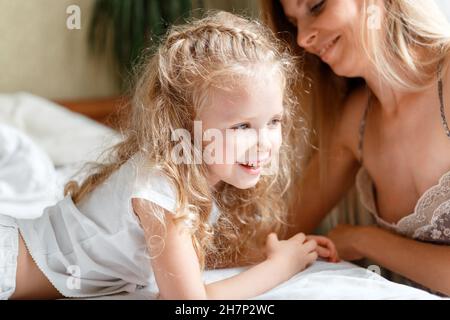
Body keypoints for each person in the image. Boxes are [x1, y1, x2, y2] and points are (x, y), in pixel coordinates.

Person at [0, 11, 338, 300]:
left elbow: (185, 262)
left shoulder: (199, 179)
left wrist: (263, 252)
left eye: (274, 121)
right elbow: (187, 300)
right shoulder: (161, 190)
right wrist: (280, 266)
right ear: (186, 125)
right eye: (242, 127)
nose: (264, 142)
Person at [261, 0, 450, 295]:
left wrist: (363, 239)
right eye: (295, 23)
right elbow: (279, 230)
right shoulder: (354, 122)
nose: (302, 38)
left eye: (316, 6)